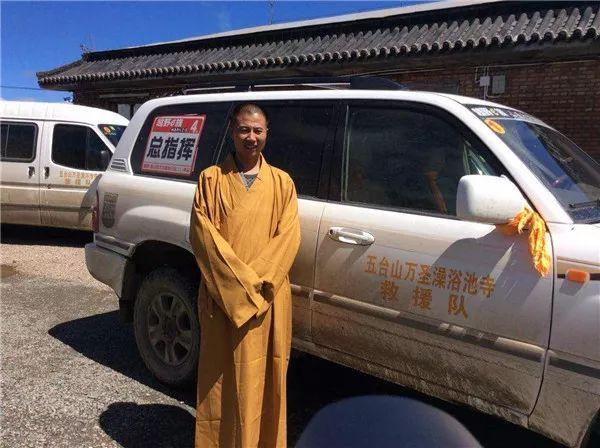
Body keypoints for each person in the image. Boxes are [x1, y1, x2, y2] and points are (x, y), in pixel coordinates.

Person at [190, 103, 301, 448]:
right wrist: (240, 290)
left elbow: (289, 238)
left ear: (267, 134)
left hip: (266, 301)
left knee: (263, 383)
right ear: (232, 130)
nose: (251, 137)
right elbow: (203, 238)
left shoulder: (283, 183)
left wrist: (255, 289)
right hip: (223, 300)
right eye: (244, 130)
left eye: (258, 130)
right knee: (221, 383)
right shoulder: (210, 180)